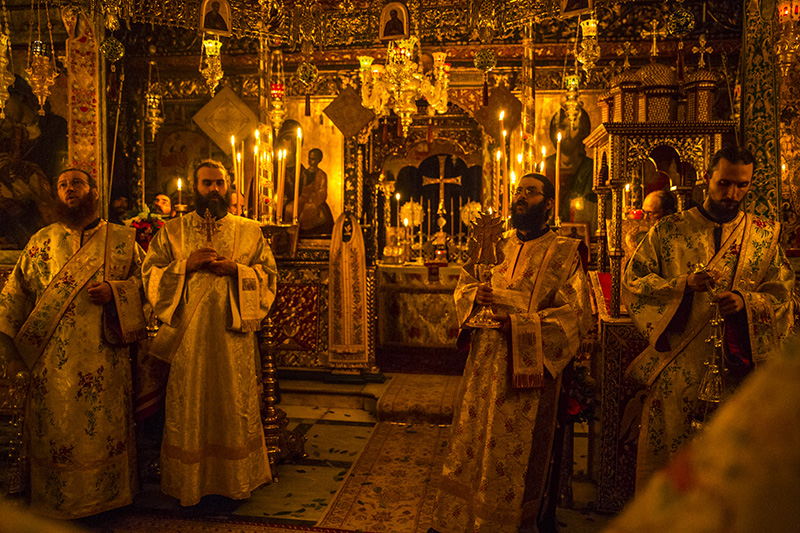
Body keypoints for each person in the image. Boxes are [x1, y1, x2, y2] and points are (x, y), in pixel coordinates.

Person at [622, 146, 795, 489]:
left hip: (736, 372)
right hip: (678, 368)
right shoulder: (669, 231)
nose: (732, 194)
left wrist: (746, 303)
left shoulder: (763, 235)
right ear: (706, 178)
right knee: (672, 470)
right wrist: (682, 285)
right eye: (724, 183)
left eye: (742, 185)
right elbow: (634, 283)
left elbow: (784, 296)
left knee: (726, 474)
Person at [429, 173, 593, 533]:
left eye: (531, 193)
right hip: (484, 364)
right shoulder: (496, 244)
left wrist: (519, 324)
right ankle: (462, 517)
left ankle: (506, 523)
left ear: (548, 204)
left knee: (512, 450)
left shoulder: (565, 252)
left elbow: (576, 314)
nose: (521, 197)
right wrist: (477, 298)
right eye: (519, 191)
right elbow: (466, 285)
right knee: (474, 438)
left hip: (527, 370)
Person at [0, 168, 147, 519]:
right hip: (51, 363)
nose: (69, 190)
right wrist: (5, 332)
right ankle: (58, 499)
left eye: (76, 183)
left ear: (93, 191)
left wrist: (116, 291)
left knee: (101, 430)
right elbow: (17, 292)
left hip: (104, 359)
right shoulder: (41, 240)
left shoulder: (123, 240)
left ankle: (107, 499)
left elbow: (146, 286)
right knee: (56, 428)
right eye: (62, 184)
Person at [142, 159, 277, 506]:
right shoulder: (172, 231)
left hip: (233, 341)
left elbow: (268, 276)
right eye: (207, 184)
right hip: (189, 343)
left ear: (229, 186)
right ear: (195, 187)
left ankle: (234, 482)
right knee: (190, 405)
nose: (213, 190)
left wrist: (238, 270)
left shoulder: (250, 231)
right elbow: (150, 274)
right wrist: (185, 265)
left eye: (219, 183)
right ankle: (189, 483)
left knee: (234, 404)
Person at [544, 107, 597, 232]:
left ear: (583, 132)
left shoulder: (591, 168)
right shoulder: (545, 165)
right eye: (563, 126)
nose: (567, 133)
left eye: (574, 128)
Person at [295, 148, 334, 236]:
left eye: (313, 159)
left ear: (318, 160)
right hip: (302, 199)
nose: (310, 161)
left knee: (308, 211)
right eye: (309, 158)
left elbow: (322, 191)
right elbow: (299, 187)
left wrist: (312, 196)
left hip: (315, 201)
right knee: (289, 209)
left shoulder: (321, 175)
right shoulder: (304, 173)